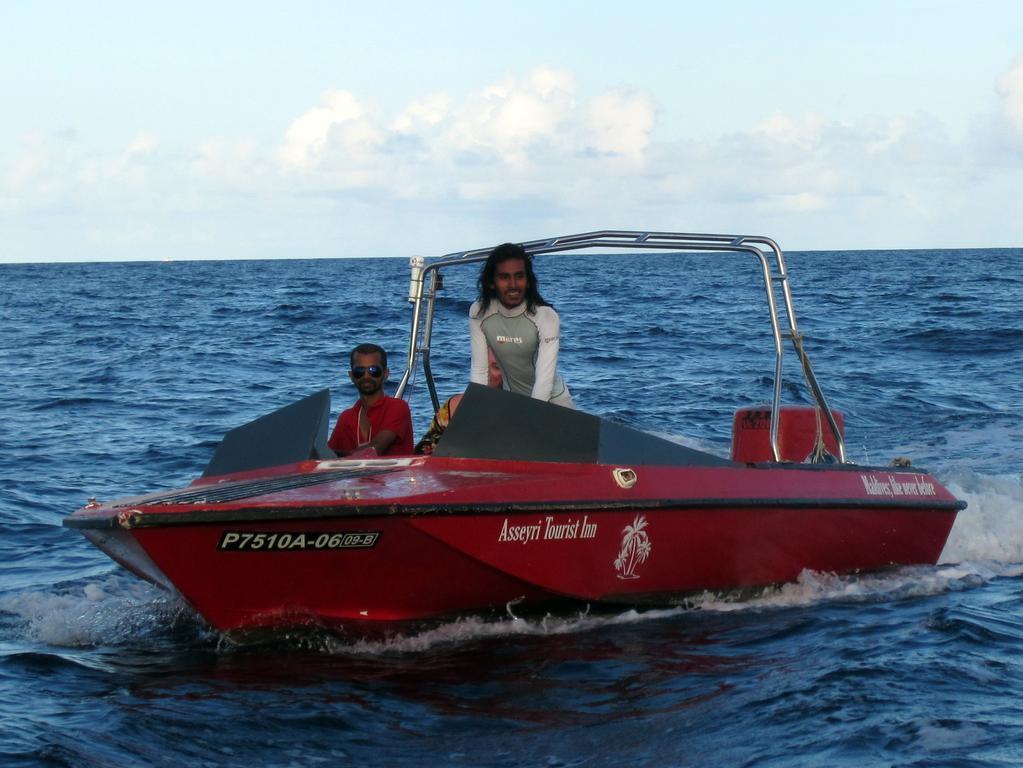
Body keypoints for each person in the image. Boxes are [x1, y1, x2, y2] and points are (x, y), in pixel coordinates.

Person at [469, 242, 573, 407]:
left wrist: (530, 417)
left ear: (528, 281)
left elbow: (544, 382)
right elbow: (480, 371)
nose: (513, 285)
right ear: (491, 282)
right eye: (504, 277)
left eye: (519, 276)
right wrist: (476, 409)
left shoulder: (545, 316)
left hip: (554, 403)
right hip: (514, 401)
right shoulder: (479, 312)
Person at [328, 343, 413, 456]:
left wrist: (342, 457)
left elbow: (375, 448)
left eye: (374, 371)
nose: (366, 376)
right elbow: (326, 455)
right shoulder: (346, 418)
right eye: (359, 371)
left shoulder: (397, 407)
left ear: (386, 374)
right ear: (351, 376)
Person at [415, 347, 503, 455]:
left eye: (496, 367)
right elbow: (422, 453)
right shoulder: (454, 408)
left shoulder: (524, 410)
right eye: (483, 366)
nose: (487, 373)